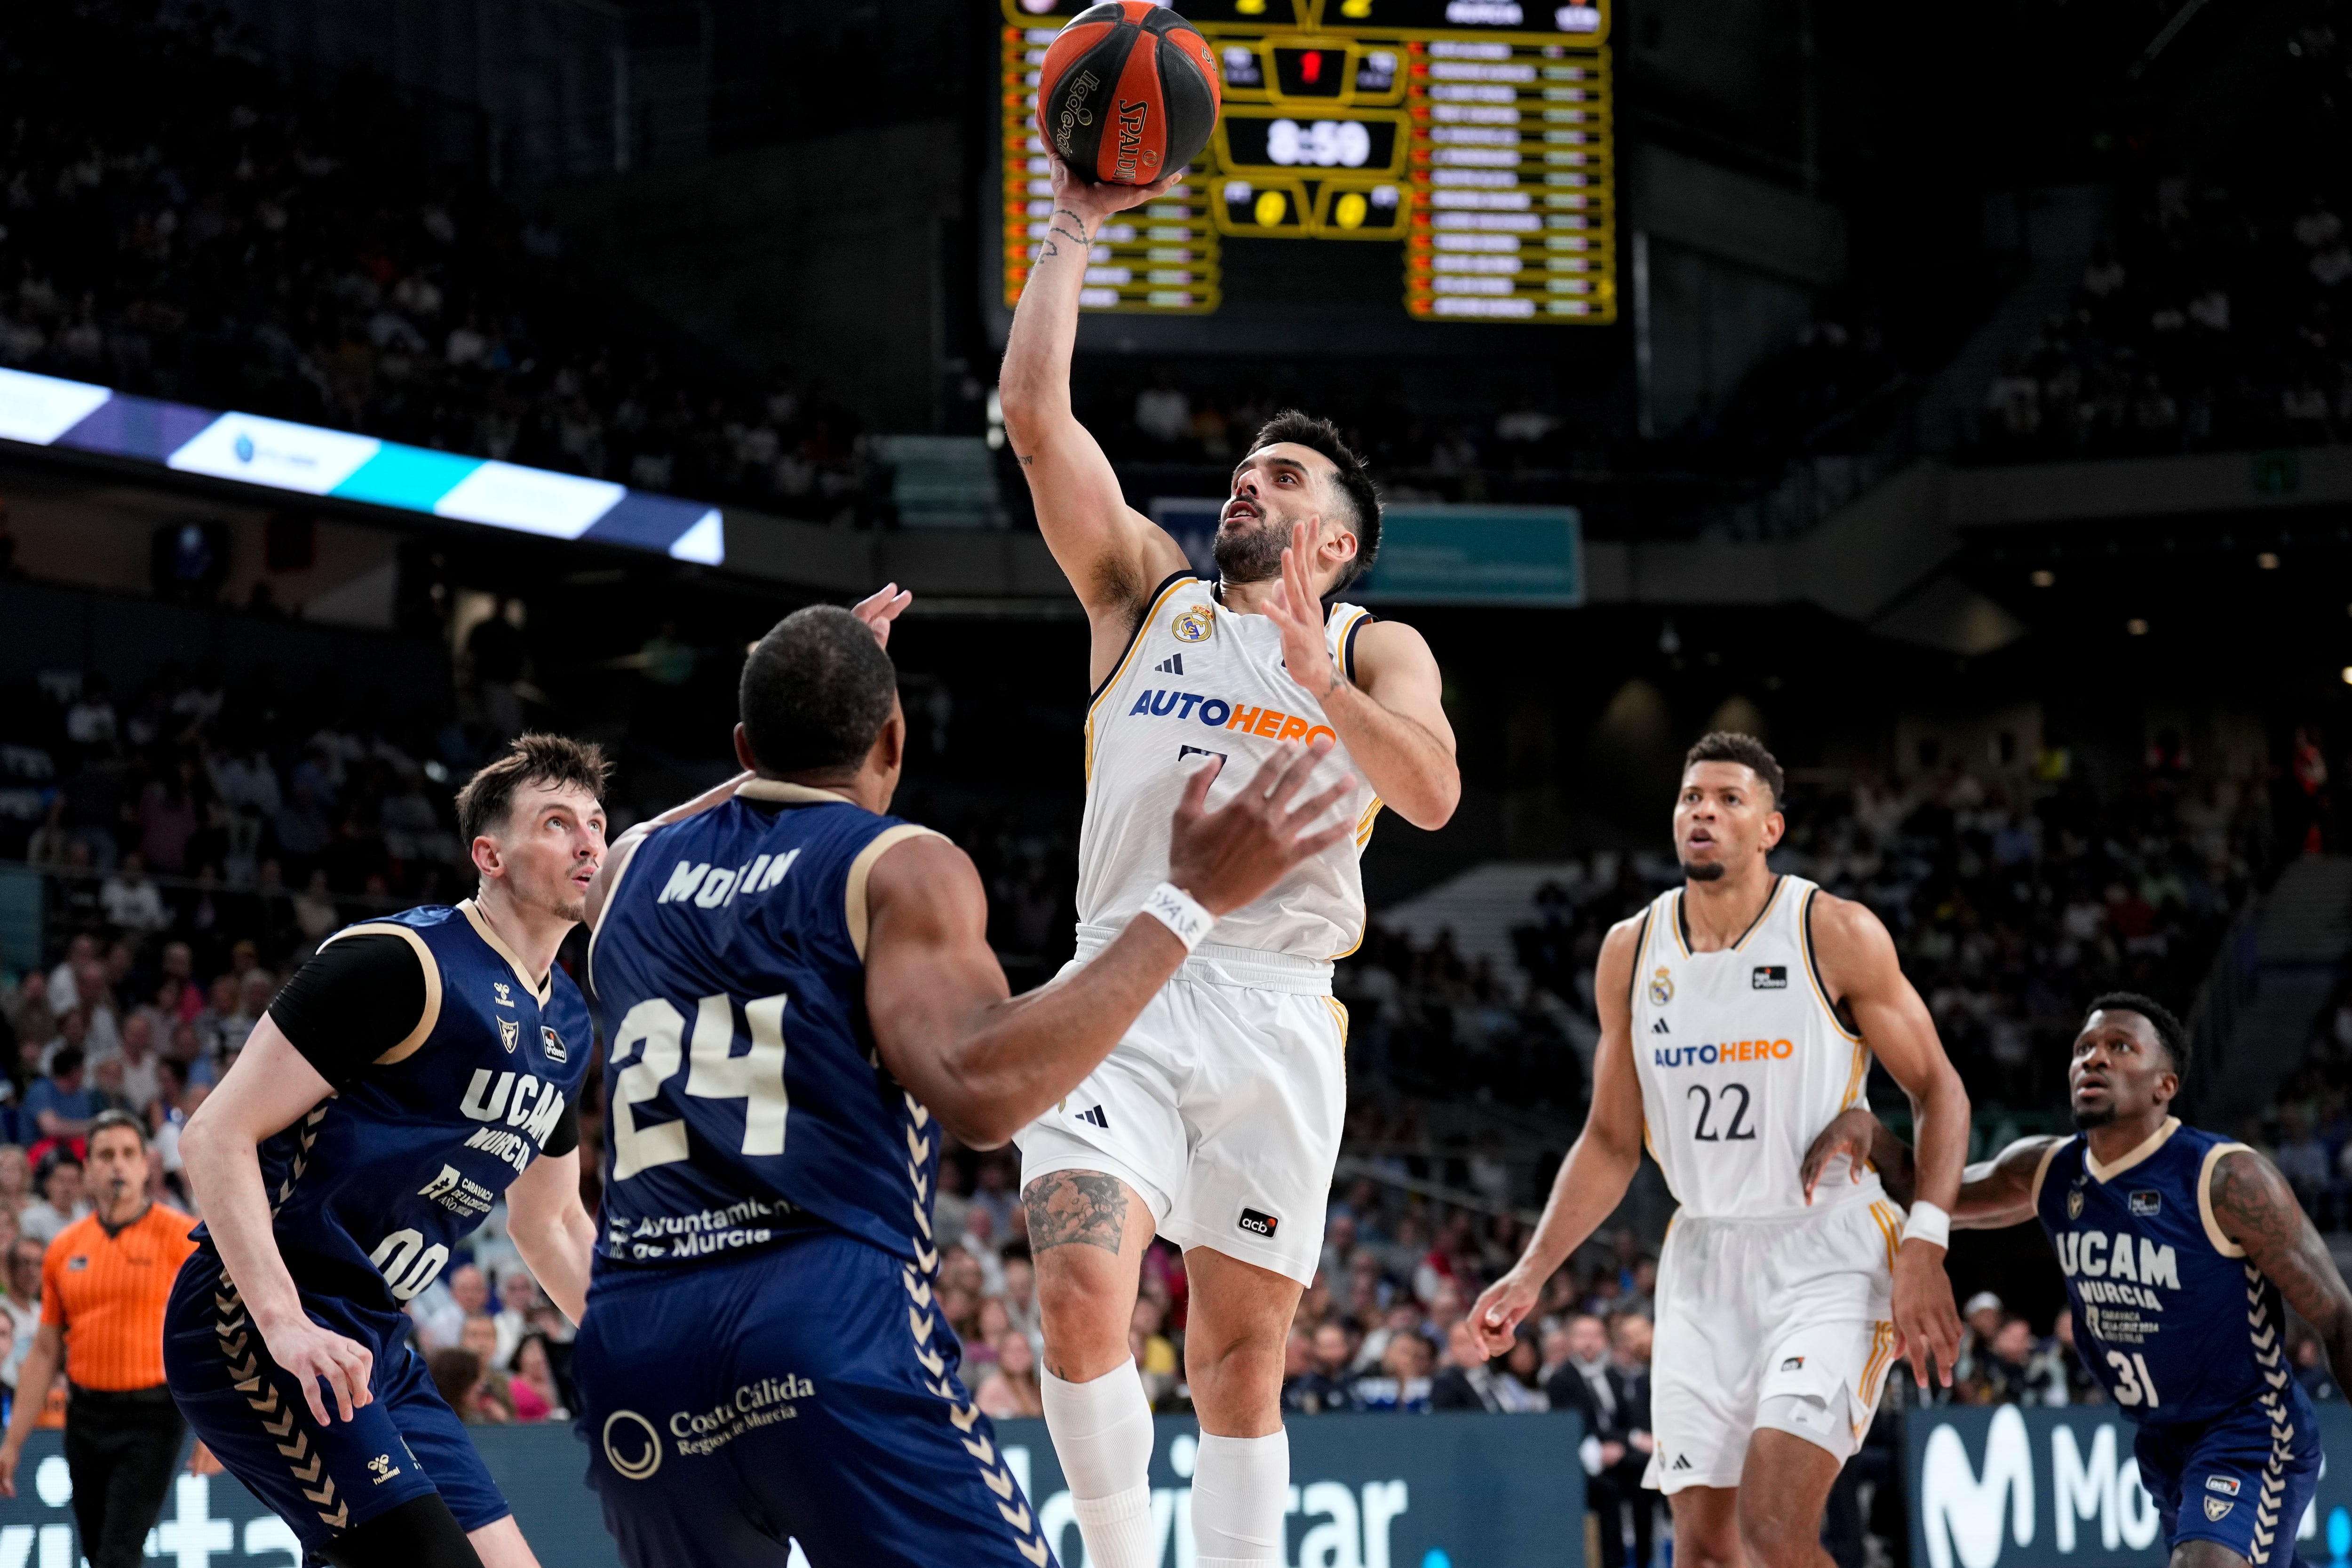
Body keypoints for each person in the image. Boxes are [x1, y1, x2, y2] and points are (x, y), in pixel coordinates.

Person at [571, 597, 1355, 1568]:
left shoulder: (626, 873)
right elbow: (982, 1097)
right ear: (893, 739)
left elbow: (636, 839)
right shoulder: (898, 863)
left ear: (744, 743)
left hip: (637, 1350)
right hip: (820, 1328)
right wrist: (1186, 903)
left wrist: (800, 709)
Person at [999, 160, 1461, 1568]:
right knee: (1079, 1285)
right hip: (1121, 978)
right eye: (1245, 467)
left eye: (1280, 475)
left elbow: (1432, 793)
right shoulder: (1148, 593)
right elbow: (1032, 421)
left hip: (1273, 1008)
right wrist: (1072, 227)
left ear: (1332, 536)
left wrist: (1322, 679)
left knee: (1237, 1362)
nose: (1243, 484)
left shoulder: (1377, 645)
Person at [1469, 732, 1970, 1568]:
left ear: (1771, 826)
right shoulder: (1632, 950)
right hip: (1703, 1254)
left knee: (1774, 1535)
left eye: (1729, 798)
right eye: (1691, 796)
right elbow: (1608, 1138)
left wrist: (1927, 1238)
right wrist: (1532, 1269)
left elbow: (1939, 1088)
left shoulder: (1833, 930)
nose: (1703, 809)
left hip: (1828, 1250)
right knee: (1703, 1550)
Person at [161, 736, 610, 1568]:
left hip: (374, 1340)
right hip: (256, 1324)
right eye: (557, 822)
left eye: (596, 821)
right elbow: (213, 1131)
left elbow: (549, 1223)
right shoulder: (404, 963)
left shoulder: (568, 1023)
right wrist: (284, 1320)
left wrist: (642, 1357)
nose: (590, 841)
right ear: (491, 854)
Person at [1805, 993, 2352, 1568]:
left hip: (2248, 1426)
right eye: (2083, 1049)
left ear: (2163, 1085)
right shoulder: (2047, 1169)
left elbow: (2337, 1315)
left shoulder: (2225, 1178)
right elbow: (1932, 1193)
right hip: (2161, 1439)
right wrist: (1870, 1130)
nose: (2093, 1060)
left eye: (2119, 1048)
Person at [0, 1111, 196, 1568]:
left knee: (117, 1556)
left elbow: (210, 1339)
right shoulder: (64, 1248)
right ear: (88, 1170)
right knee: (96, 1553)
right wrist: (11, 1444)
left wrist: (215, 1435)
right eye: (106, 1155)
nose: (117, 1166)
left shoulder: (179, 1238)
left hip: (154, 1414)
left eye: (128, 1154)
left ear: (146, 1165)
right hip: (86, 1414)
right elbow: (46, 1351)